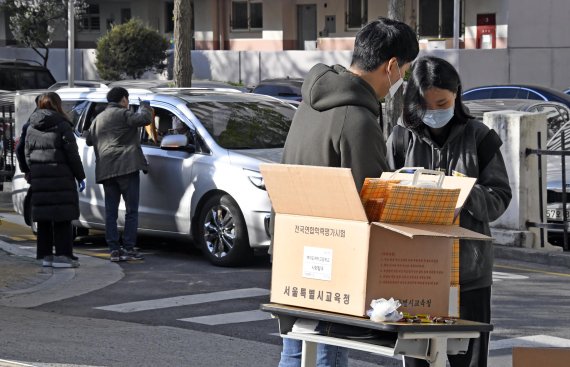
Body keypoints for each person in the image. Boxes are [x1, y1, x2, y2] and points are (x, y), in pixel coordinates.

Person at [275, 17, 419, 367]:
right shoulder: (355, 118)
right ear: (391, 66)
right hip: (334, 262)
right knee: (325, 352)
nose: (400, 82)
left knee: (297, 348)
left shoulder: (311, 104)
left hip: (296, 252)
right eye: (405, 72)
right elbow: (372, 196)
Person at [386, 56, 512, 367]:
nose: (435, 112)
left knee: (468, 358)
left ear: (456, 94)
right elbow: (383, 192)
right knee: (418, 357)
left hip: (469, 272)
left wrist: (463, 192)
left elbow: (499, 199)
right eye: (426, 107)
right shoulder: (401, 136)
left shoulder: (480, 138)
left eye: (442, 103)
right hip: (416, 269)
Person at [85, 87, 153, 262]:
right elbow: (145, 119)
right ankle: (129, 248)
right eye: (127, 100)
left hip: (106, 171)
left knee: (111, 212)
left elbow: (89, 140)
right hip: (127, 168)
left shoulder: (98, 118)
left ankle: (114, 249)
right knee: (131, 210)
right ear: (123, 99)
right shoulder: (123, 114)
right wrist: (145, 105)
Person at [24, 92, 86, 268]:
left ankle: (45, 256)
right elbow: (72, 155)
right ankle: (63, 256)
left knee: (43, 218)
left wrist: (34, 171)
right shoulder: (62, 125)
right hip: (62, 179)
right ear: (57, 105)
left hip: (40, 178)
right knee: (63, 218)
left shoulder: (30, 127)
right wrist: (80, 176)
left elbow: (27, 154)